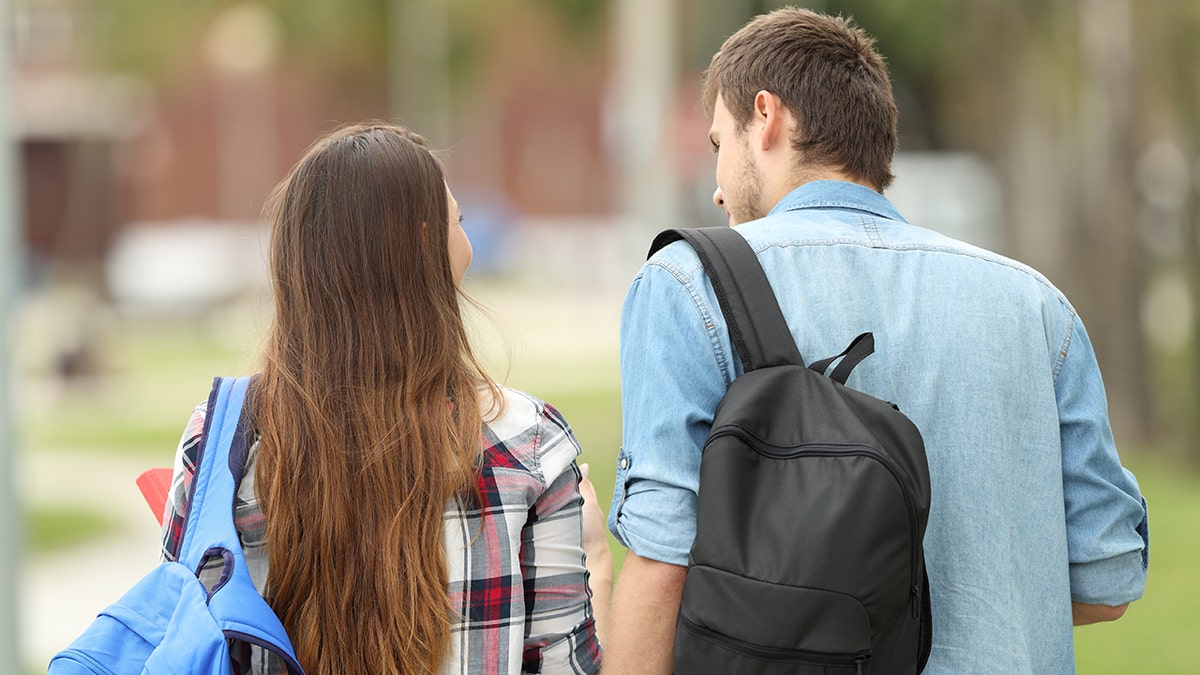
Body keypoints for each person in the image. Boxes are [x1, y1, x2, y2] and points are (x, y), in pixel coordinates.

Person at [604, 7, 1148, 674]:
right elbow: (1109, 577)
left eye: (720, 145)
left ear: (766, 116)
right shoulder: (1037, 306)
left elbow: (664, 567)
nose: (717, 191)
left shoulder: (688, 284)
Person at [158, 122, 610, 675]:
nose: (466, 240)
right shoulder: (528, 444)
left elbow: (178, 642)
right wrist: (602, 572)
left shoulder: (222, 441)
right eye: (458, 222)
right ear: (425, 245)